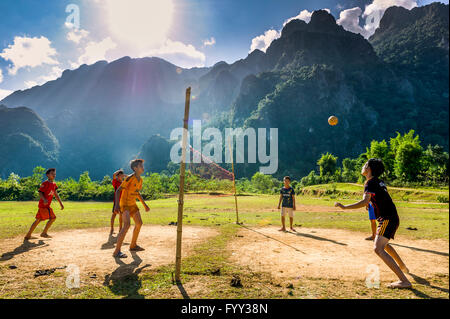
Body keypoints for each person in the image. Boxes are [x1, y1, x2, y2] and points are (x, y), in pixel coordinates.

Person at [335, 158, 411, 289]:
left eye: (365, 165)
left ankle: (404, 281)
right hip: (390, 217)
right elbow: (379, 198)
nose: (363, 166)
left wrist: (345, 207)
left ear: (369, 169)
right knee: (384, 245)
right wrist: (372, 203)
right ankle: (403, 267)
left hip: (387, 218)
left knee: (378, 248)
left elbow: (365, 201)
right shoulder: (379, 182)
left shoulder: (369, 182)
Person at [112, 159, 150, 258]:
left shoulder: (140, 180)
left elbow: (137, 193)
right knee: (127, 225)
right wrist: (116, 205)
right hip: (124, 204)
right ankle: (117, 251)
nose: (143, 167)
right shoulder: (129, 178)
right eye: (140, 166)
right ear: (135, 168)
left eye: (142, 165)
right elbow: (118, 191)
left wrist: (144, 204)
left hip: (133, 204)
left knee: (139, 223)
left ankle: (133, 245)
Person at [25, 168, 64, 240]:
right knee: (52, 218)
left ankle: (28, 235)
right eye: (52, 174)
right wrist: (44, 199)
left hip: (46, 206)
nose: (54, 175)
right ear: (47, 175)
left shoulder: (54, 184)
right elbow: (40, 192)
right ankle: (44, 233)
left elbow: (56, 194)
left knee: (38, 220)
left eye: (55, 174)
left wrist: (61, 203)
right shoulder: (45, 183)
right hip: (44, 206)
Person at [110, 170, 125, 234]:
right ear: (117, 176)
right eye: (120, 176)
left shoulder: (123, 183)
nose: (121, 177)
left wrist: (123, 175)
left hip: (122, 201)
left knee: (121, 215)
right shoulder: (115, 182)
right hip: (116, 202)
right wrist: (119, 171)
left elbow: (129, 178)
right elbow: (113, 175)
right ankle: (112, 228)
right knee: (114, 215)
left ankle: (120, 229)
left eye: (122, 176)